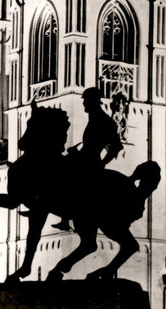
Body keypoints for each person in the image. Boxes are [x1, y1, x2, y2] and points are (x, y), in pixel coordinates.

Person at [53, 88, 123, 230]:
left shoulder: (103, 120)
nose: (84, 103)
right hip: (84, 157)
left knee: (64, 175)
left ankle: (64, 216)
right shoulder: (95, 118)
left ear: (93, 101)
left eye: (85, 100)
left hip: (90, 161)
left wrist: (102, 163)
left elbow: (117, 146)